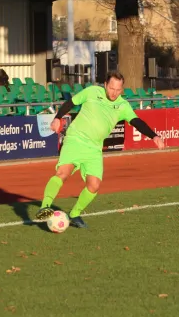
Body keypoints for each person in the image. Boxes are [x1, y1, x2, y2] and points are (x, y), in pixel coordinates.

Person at [35, 71, 165, 228]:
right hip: (76, 139)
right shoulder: (92, 92)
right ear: (105, 84)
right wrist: (57, 117)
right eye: (111, 88)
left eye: (118, 90)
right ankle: (45, 206)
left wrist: (154, 136)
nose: (114, 92)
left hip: (94, 148)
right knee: (63, 172)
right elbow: (71, 102)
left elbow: (137, 121)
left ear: (122, 89)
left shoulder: (123, 105)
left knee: (94, 185)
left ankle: (74, 214)